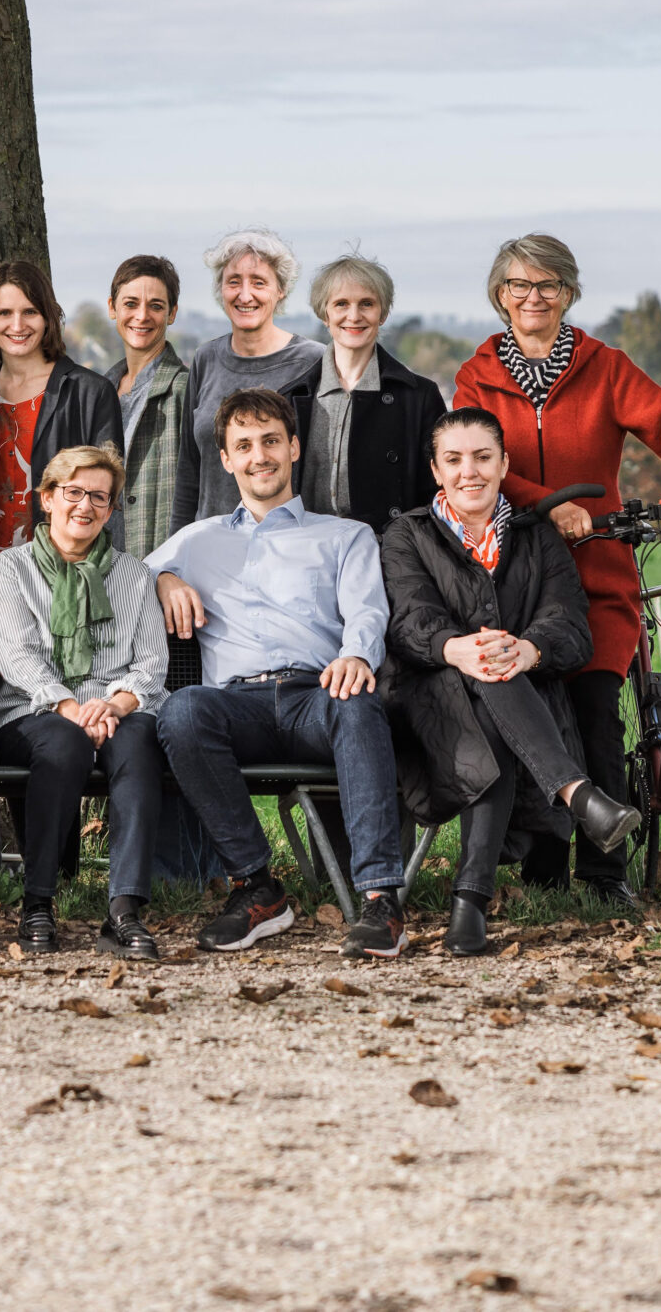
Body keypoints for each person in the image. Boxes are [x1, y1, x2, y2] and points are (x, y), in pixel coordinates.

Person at [452, 234, 661, 908]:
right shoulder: (478, 376)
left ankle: (605, 872)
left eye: (548, 286)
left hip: (598, 565)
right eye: (519, 285)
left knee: (598, 709)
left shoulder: (605, 366)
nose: (532, 298)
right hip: (516, 572)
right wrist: (547, 503)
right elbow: (473, 462)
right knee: (531, 703)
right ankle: (541, 861)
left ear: (569, 293)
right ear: (498, 294)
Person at [149, 387, 407, 958]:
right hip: (235, 705)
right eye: (243, 445)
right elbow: (126, 578)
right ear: (226, 459)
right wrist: (164, 579)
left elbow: (368, 611)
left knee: (358, 700)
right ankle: (257, 886)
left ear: (293, 448)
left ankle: (379, 900)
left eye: (270, 441)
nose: (258, 455)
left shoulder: (344, 535)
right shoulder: (196, 541)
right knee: (182, 709)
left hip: (316, 693)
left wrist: (357, 655)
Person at [378, 408, 637, 956]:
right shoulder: (408, 534)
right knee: (485, 675)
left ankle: (469, 904)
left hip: (518, 701)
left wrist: (528, 648)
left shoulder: (537, 536)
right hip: (429, 704)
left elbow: (569, 625)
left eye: (482, 457)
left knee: (494, 688)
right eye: (454, 460)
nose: (468, 471)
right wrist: (458, 649)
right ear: (435, 470)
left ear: (504, 464)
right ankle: (578, 793)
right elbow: (410, 621)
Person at [0, 444, 172, 959]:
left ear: (111, 510)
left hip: (119, 710)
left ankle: (124, 910)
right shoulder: (11, 569)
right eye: (73, 493)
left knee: (139, 750)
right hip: (32, 711)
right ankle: (38, 903)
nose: (84, 506)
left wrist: (113, 705)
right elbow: (17, 658)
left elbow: (152, 663)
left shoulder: (134, 575)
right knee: (63, 745)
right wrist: (70, 708)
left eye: (99, 497)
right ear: (47, 498)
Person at [0, 259, 123, 567]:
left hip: (60, 572)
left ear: (48, 317)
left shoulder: (91, 392)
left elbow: (107, 493)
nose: (17, 326)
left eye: (30, 311)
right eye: (4, 313)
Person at [172, 228, 321, 527]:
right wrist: (177, 547)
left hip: (288, 542)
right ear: (221, 290)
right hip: (211, 545)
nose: (245, 295)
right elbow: (189, 470)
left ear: (280, 290)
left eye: (258, 282)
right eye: (234, 282)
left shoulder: (314, 361)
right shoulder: (206, 358)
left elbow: (323, 469)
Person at [295, 252, 446, 538]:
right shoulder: (292, 397)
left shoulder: (419, 398)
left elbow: (436, 494)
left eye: (367, 304)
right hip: (305, 550)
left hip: (388, 554)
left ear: (383, 313)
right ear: (324, 314)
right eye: (341, 304)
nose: (354, 316)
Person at [101, 254, 190, 563]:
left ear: (172, 313)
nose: (142, 316)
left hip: (156, 563)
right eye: (130, 304)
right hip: (99, 565)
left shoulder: (184, 390)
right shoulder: (100, 391)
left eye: (156, 306)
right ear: (112, 308)